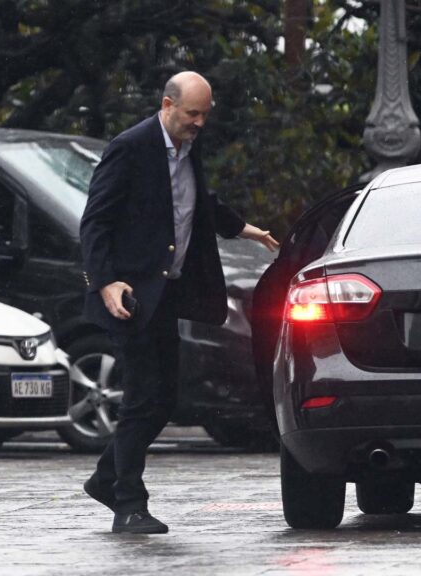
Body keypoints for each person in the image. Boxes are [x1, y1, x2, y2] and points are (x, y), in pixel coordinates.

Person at [79, 71, 279, 534]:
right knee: (141, 397)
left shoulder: (188, 147)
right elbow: (95, 222)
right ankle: (129, 504)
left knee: (164, 398)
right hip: (129, 297)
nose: (199, 123)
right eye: (192, 114)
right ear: (167, 105)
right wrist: (105, 282)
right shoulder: (130, 148)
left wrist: (245, 229)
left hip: (165, 295)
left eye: (205, 115)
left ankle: (107, 477)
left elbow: (197, 200)